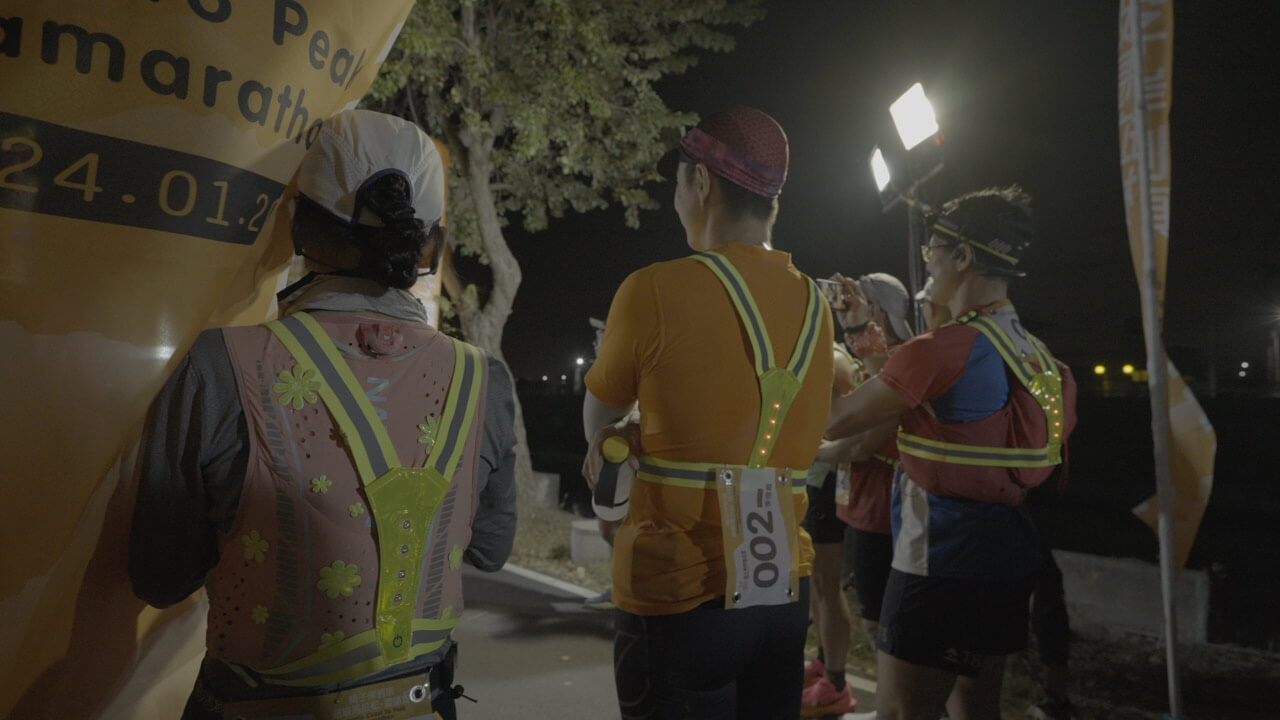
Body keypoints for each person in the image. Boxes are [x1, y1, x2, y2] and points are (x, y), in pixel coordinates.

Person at [129, 109, 518, 720]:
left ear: (298, 226)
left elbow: (160, 577)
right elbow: (492, 549)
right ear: (431, 245)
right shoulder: (484, 380)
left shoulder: (219, 364)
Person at [582, 106, 834, 719]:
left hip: (677, 592)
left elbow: (600, 424)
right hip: (782, 597)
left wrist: (618, 469)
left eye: (676, 184)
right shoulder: (817, 305)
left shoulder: (654, 288)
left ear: (700, 182)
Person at [826, 186, 1078, 720]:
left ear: (962, 256)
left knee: (901, 712)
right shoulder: (1031, 350)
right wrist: (864, 334)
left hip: (938, 558)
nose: (928, 263)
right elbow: (923, 398)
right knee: (975, 707)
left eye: (932, 251)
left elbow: (837, 419)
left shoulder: (942, 346)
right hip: (1005, 553)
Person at [800, 273, 913, 718]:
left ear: (879, 311)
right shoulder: (880, 359)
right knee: (872, 613)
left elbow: (857, 437)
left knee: (881, 620)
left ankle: (869, 696)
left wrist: (813, 448)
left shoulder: (898, 361)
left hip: (881, 503)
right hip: (862, 501)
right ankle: (874, 694)